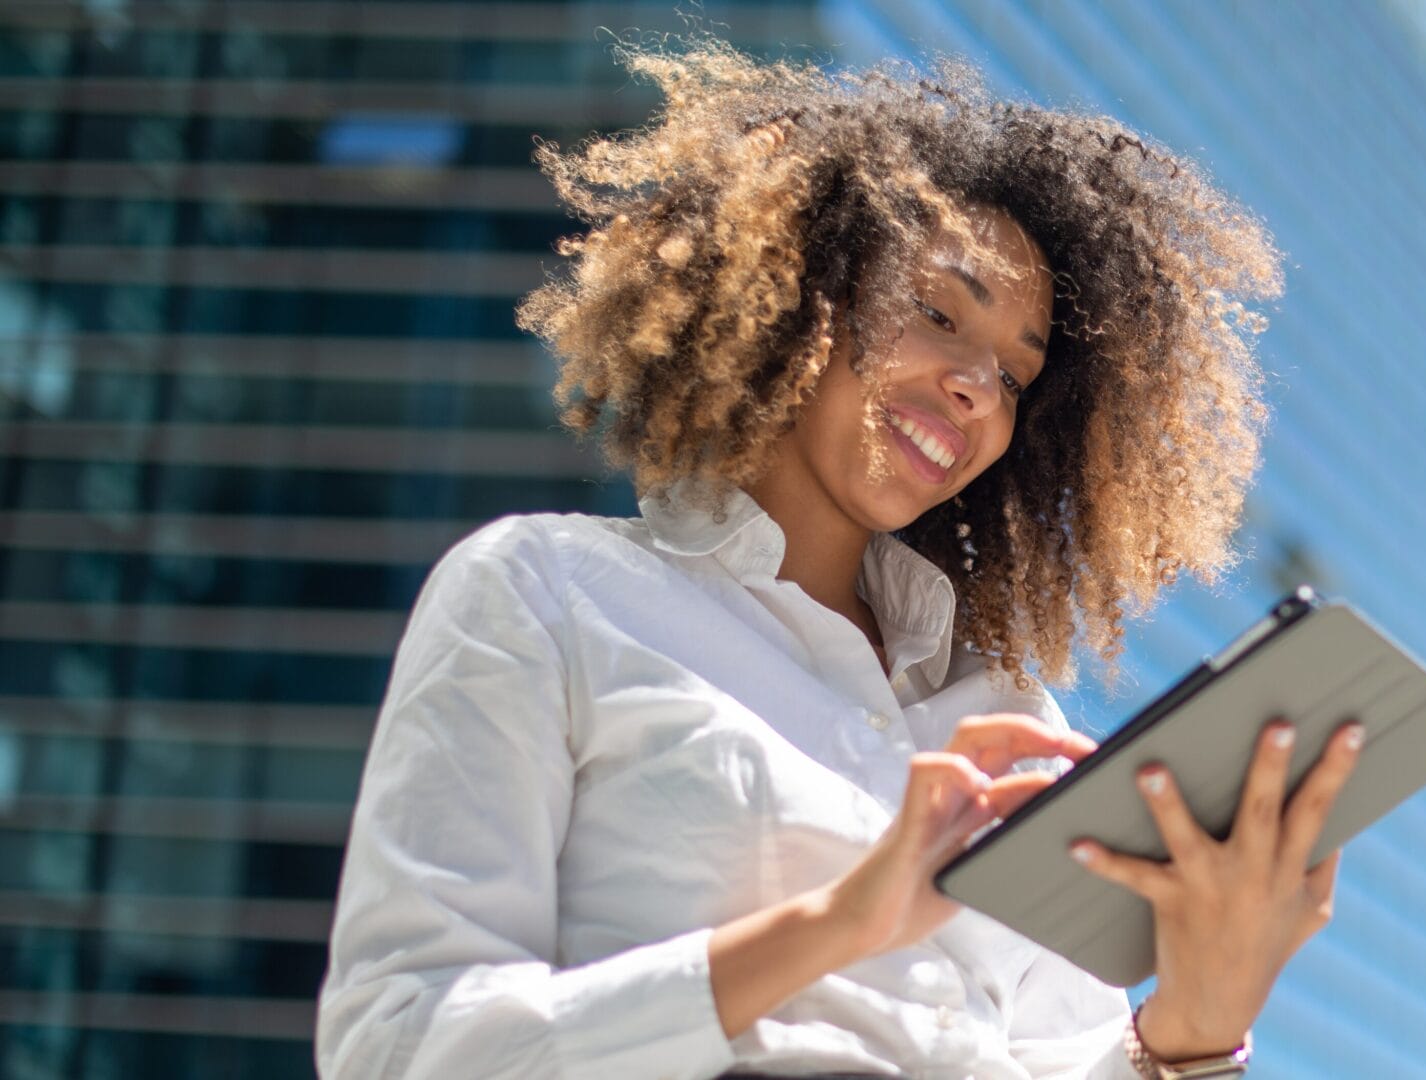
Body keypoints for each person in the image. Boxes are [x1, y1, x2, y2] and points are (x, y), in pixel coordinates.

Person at [315, 36, 1364, 1080]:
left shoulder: (1012, 721)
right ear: (800, 289)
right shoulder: (545, 592)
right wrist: (836, 924)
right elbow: (398, 1046)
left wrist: (1194, 1031)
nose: (978, 388)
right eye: (938, 314)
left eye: (1014, 376)